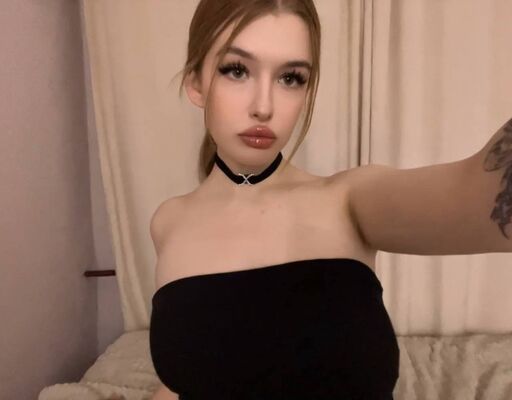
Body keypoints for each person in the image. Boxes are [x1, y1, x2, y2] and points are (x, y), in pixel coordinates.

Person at [148, 1, 511, 399]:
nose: (264, 106)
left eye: (291, 78)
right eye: (236, 70)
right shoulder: (169, 222)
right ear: (196, 83)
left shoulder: (349, 202)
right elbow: (188, 374)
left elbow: (481, 195)